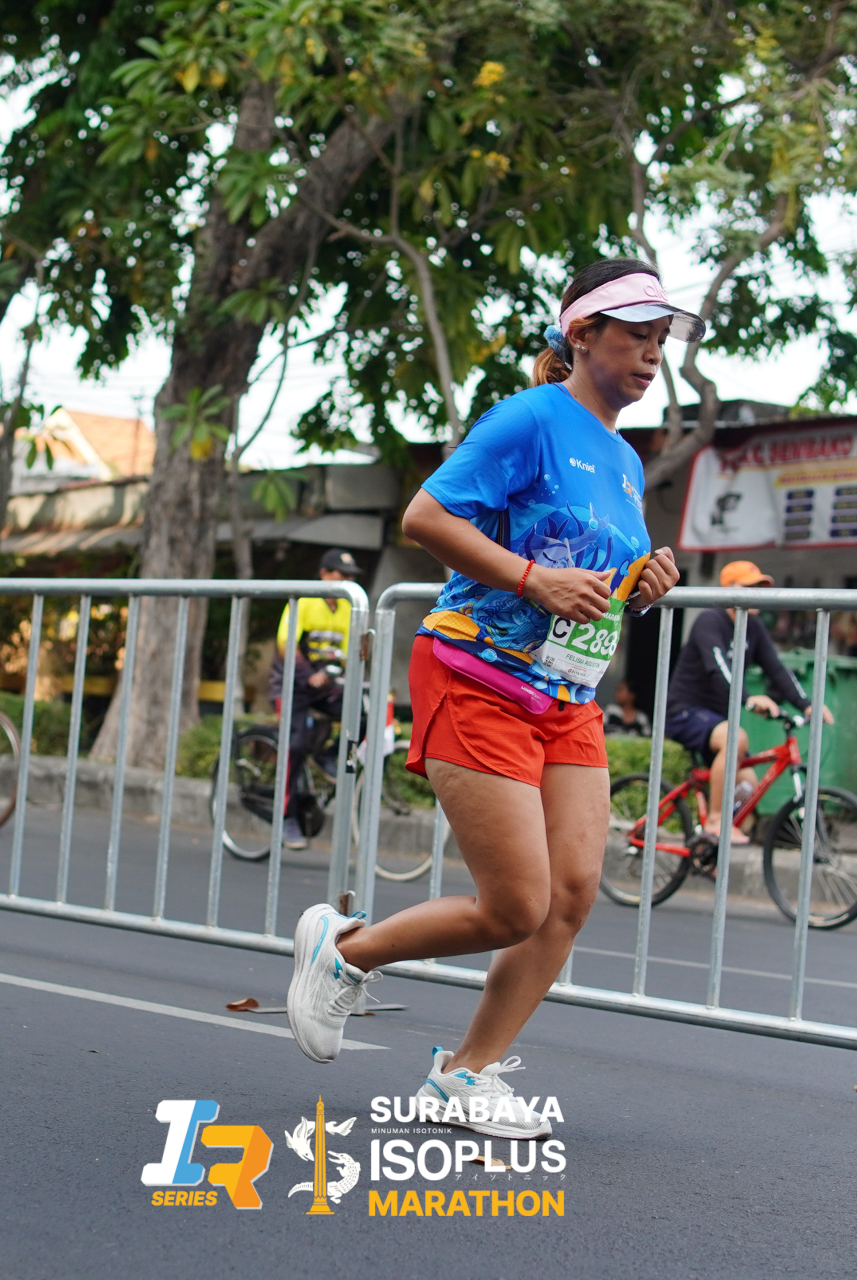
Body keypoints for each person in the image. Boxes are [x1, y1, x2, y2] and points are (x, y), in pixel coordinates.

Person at [281, 258, 687, 1138]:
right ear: (582, 335)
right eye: (637, 335)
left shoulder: (625, 458)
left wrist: (643, 582)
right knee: (515, 905)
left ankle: (464, 1075)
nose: (654, 355)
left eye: (662, 339)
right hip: (478, 674)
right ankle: (344, 952)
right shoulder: (529, 418)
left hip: (566, 694)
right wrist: (533, 579)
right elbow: (426, 518)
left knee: (571, 894)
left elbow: (589, 573)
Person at [661, 560, 830, 842]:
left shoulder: (754, 628)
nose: (757, 594)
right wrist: (749, 700)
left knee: (749, 784)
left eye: (760, 588)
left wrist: (806, 704)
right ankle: (715, 821)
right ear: (729, 589)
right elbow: (718, 669)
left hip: (716, 720)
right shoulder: (710, 621)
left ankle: (709, 847)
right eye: (750, 587)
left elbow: (776, 669)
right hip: (685, 713)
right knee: (735, 739)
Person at [267, 548, 361, 849]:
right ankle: (286, 817)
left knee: (361, 714)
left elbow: (348, 653)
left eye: (351, 576)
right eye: (342, 575)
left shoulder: (348, 607)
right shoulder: (306, 600)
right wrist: (310, 675)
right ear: (324, 575)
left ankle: (327, 756)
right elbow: (286, 645)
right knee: (294, 746)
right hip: (292, 685)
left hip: (325, 686)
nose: (347, 581)